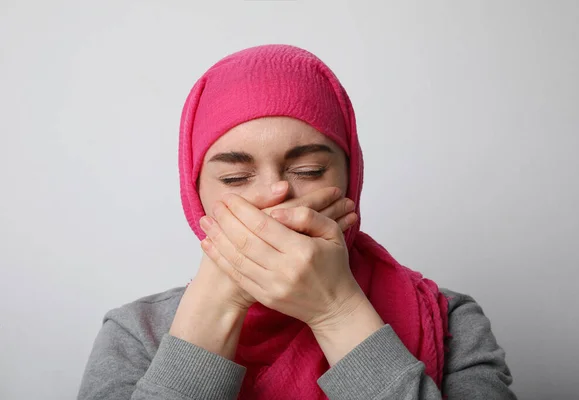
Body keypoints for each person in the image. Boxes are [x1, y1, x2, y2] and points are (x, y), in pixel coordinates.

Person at [78, 44, 517, 400]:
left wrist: (337, 312)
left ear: (351, 178)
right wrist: (215, 307)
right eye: (235, 177)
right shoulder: (137, 333)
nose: (275, 196)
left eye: (307, 171)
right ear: (196, 196)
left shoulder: (449, 319)